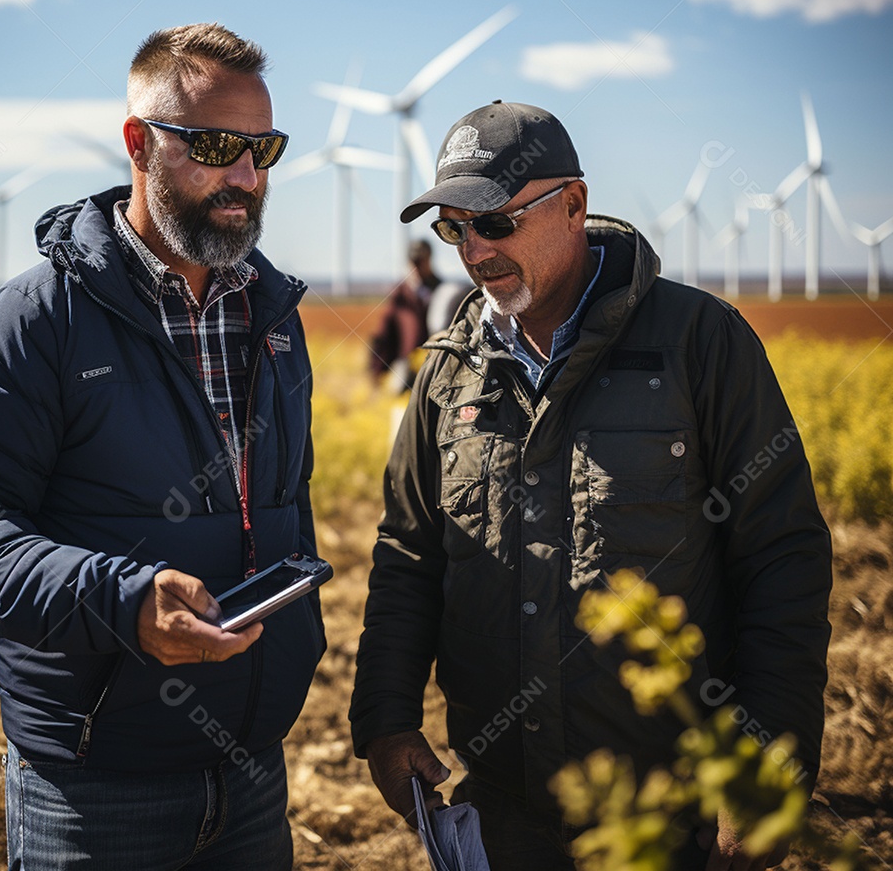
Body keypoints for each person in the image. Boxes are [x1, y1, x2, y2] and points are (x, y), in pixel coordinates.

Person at [349, 101, 832, 870]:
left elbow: (782, 559)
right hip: (502, 816)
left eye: (494, 223)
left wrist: (767, 762)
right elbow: (410, 555)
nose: (473, 251)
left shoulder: (701, 343)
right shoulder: (448, 369)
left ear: (573, 205)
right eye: (452, 228)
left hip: (675, 821)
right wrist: (385, 717)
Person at [0, 23, 325, 870]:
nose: (246, 176)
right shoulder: (38, 319)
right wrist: (121, 602)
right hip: (95, 791)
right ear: (139, 142)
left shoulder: (273, 317)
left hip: (251, 773)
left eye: (264, 149)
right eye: (215, 146)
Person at [369, 239, 442, 391]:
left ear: (429, 260)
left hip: (438, 370)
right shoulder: (400, 295)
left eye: (421, 262)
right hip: (406, 370)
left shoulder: (442, 291)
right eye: (414, 262)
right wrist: (377, 372)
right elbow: (384, 334)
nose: (417, 267)